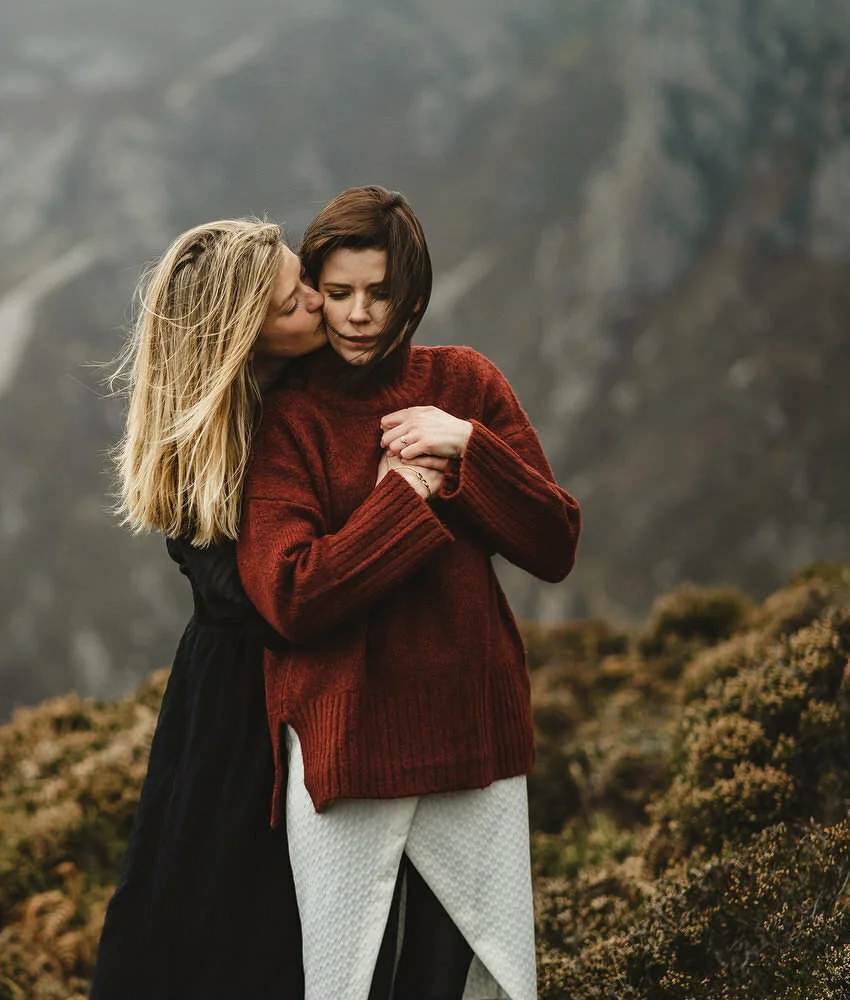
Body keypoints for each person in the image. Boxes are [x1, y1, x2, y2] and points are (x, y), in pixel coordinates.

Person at [236, 186, 581, 1000]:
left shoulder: (466, 383)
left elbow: (555, 542)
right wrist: (402, 501)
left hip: (471, 732)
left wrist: (468, 446)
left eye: (379, 294)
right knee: (353, 979)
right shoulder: (289, 418)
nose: (357, 314)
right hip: (349, 748)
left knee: (455, 977)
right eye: (339, 291)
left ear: (412, 294)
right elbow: (291, 596)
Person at [90, 218, 324, 999]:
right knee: (220, 915)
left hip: (264, 683)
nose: (322, 303)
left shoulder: (302, 392)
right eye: (296, 301)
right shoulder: (204, 457)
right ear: (244, 338)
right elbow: (274, 604)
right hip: (237, 706)